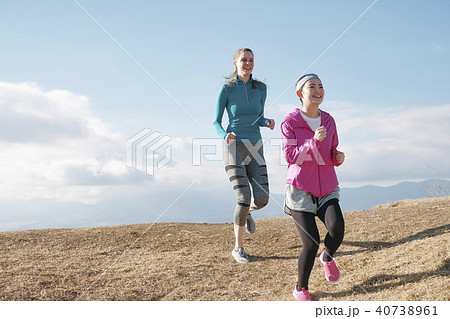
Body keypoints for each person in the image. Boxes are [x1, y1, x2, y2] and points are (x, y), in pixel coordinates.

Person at [281, 74, 345, 301]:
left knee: (337, 228)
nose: (318, 90)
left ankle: (327, 257)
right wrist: (312, 142)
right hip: (300, 190)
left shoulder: (329, 120)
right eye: (312, 87)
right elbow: (290, 157)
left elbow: (332, 150)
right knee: (311, 242)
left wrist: (337, 157)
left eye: (321, 86)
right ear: (300, 94)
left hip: (327, 185)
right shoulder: (289, 122)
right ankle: (301, 288)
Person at [213, 48, 275, 263]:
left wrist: (266, 122)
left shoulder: (261, 89)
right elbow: (215, 121)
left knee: (263, 199)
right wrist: (225, 135)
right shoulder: (227, 89)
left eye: (251, 60)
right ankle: (238, 248)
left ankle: (247, 212)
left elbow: (258, 117)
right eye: (243, 60)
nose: (247, 63)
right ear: (235, 64)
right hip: (233, 147)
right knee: (243, 197)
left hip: (256, 146)